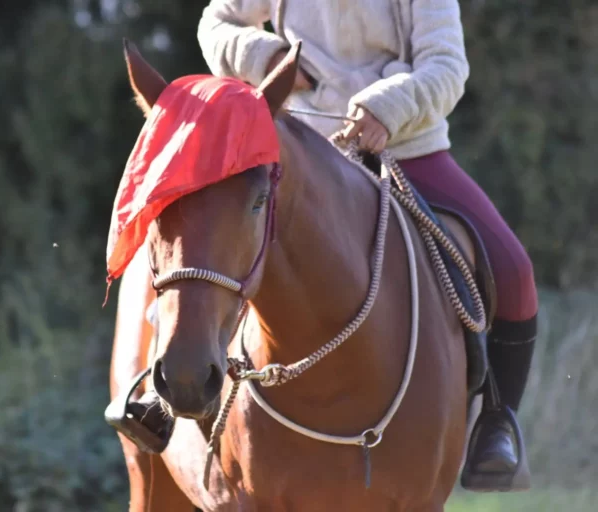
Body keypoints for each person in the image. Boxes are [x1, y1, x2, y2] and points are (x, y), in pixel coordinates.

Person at [110, 0, 538, 492]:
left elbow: (446, 65)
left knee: (515, 271)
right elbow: (217, 21)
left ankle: (497, 422)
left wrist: (388, 107)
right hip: (300, 151)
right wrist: (264, 56)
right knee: (217, 235)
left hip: (406, 148)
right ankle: (168, 388)